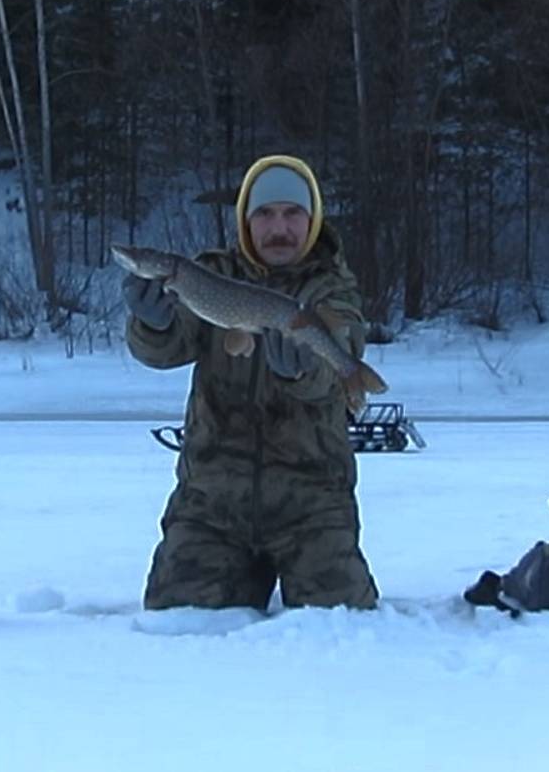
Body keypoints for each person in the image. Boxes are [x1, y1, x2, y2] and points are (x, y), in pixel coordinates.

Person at [123, 154, 380, 611]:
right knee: (176, 617)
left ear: (312, 218)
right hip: (211, 501)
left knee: (343, 616)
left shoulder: (331, 290)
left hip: (312, 501)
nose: (278, 226)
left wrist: (304, 370)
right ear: (245, 220)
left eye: (292, 213)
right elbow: (165, 349)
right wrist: (152, 325)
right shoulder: (209, 276)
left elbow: (341, 347)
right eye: (264, 213)